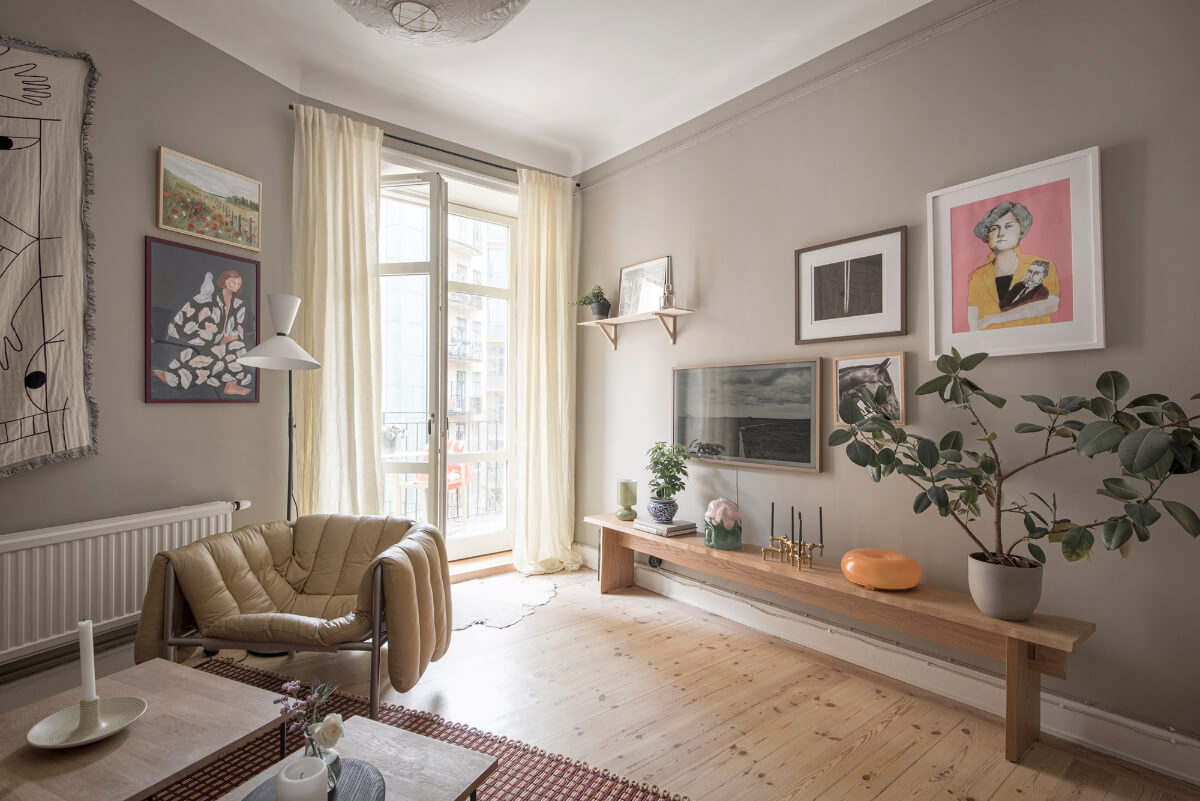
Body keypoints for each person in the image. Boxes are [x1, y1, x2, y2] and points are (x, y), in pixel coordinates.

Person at [154, 269, 253, 396]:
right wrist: (215, 337)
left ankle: (230, 385)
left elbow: (239, 327)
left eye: (238, 284)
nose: (236, 286)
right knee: (206, 359)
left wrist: (230, 337)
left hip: (228, 341)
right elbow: (199, 320)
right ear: (224, 281)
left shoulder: (239, 305)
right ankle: (178, 377)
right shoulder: (211, 299)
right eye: (233, 282)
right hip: (208, 340)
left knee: (238, 347)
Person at [965, 201, 1060, 330]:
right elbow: (973, 324)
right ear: (987, 235)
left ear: (1021, 231)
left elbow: (1050, 304)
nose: (1000, 234)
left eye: (1008, 226)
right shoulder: (977, 276)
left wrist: (993, 319)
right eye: (994, 228)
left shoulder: (1041, 265)